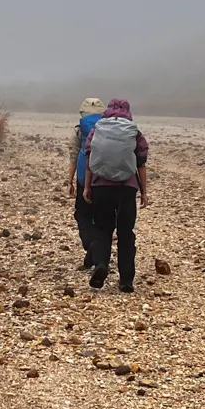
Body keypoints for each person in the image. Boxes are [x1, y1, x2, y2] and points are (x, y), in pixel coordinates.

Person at [81, 98, 150, 292]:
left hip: (101, 185)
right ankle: (126, 280)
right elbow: (141, 163)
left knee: (103, 228)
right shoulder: (133, 132)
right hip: (127, 187)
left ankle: (101, 264)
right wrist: (144, 192)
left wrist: (87, 187)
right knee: (126, 233)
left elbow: (89, 158)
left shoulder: (98, 129)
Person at [67, 97, 105, 270]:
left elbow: (73, 158)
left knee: (82, 214)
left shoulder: (79, 131)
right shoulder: (110, 130)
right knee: (102, 219)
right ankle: (98, 257)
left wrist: (70, 181)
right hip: (106, 179)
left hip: (84, 177)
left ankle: (91, 248)